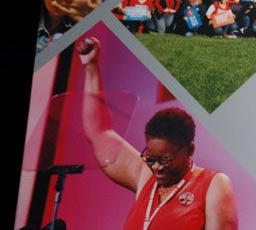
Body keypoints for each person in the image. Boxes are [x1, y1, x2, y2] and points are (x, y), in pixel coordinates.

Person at [77, 36, 237, 229]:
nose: (157, 168)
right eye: (151, 159)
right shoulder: (147, 176)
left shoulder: (213, 184)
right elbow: (98, 131)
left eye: (166, 160)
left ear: (190, 150)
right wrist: (91, 66)